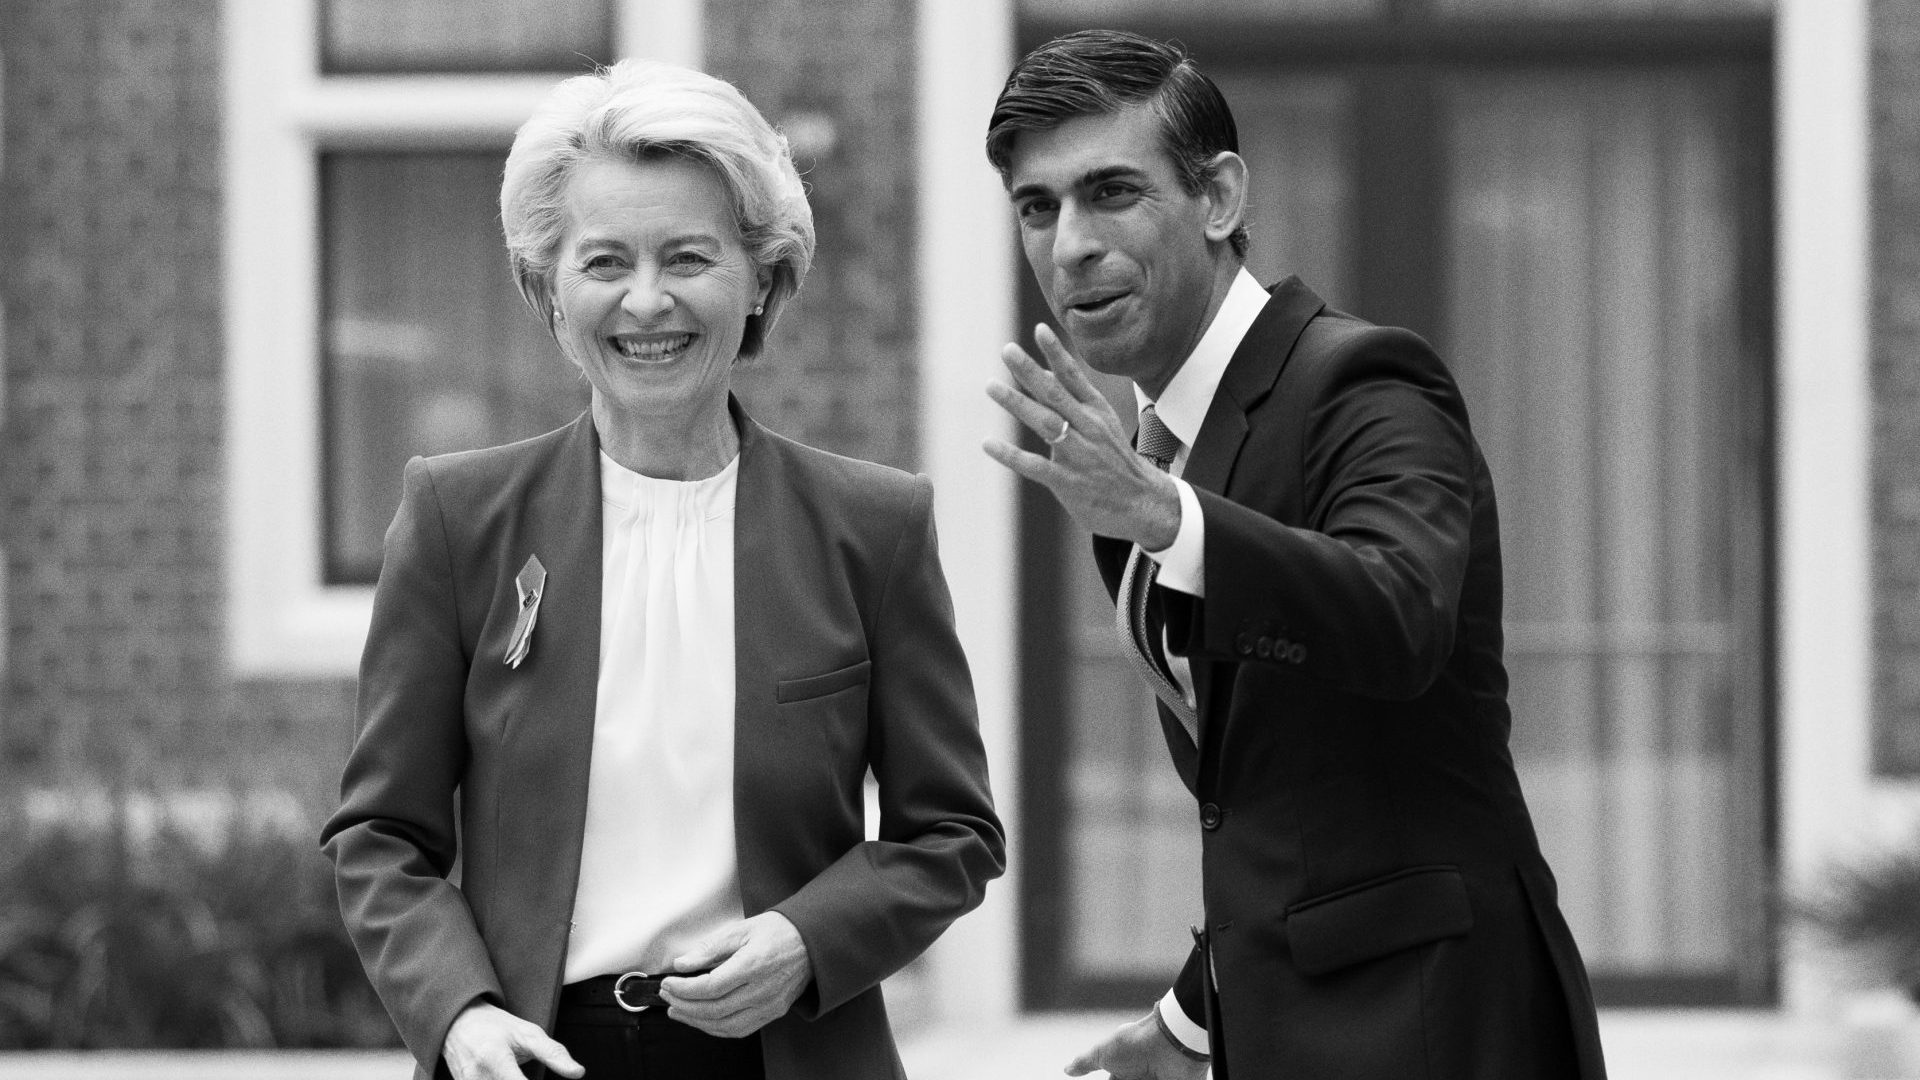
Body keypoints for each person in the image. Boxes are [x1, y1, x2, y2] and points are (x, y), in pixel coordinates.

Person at [322, 58, 1004, 1080]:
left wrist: (807, 941)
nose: (648, 302)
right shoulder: (457, 519)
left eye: (688, 257)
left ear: (763, 276)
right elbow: (380, 833)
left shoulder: (876, 527)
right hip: (537, 1058)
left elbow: (951, 834)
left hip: (790, 1054)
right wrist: (458, 1015)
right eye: (605, 263)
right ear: (545, 288)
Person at [982, 29, 1606, 1079]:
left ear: (1220, 198)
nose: (1070, 243)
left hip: (1436, 1023)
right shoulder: (1152, 456)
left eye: (1111, 193)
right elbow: (1273, 806)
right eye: (1038, 207)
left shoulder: (1363, 380)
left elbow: (1400, 616)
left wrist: (1172, 521)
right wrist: (1189, 1025)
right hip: (1287, 1024)